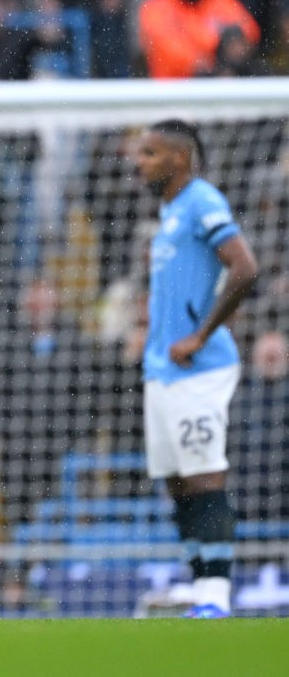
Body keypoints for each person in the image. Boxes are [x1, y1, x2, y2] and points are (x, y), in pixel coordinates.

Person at [135, 119, 259, 618]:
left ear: (179, 159)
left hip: (200, 367)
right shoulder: (169, 211)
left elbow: (245, 266)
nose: (138, 162)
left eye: (149, 153)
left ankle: (216, 595)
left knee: (205, 476)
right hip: (163, 370)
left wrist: (200, 335)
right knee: (178, 481)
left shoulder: (202, 200)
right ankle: (198, 584)